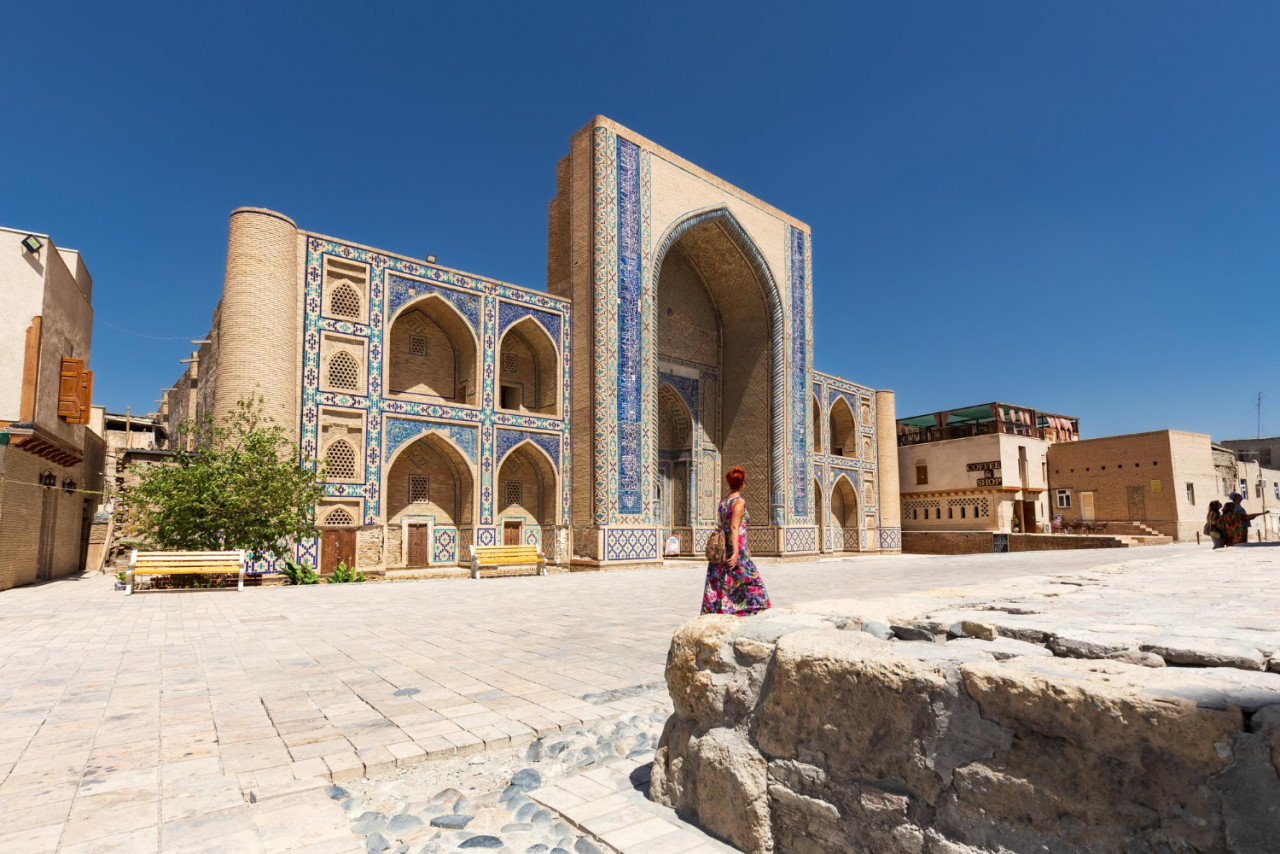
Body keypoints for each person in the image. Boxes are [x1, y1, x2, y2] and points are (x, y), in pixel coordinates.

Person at [701, 467, 771, 616]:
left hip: (722, 549)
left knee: (723, 580)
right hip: (734, 547)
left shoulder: (724, 501)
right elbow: (734, 527)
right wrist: (737, 551)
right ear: (742, 483)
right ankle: (748, 611)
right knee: (751, 581)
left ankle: (722, 611)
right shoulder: (738, 502)